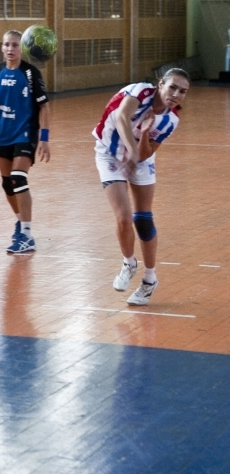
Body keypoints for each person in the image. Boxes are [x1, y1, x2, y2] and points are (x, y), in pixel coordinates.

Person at [93, 69, 190, 306]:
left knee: (143, 219)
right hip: (109, 154)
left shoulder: (171, 120)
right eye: (172, 87)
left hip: (140, 160)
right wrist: (132, 151)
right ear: (160, 85)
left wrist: (145, 135)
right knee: (123, 218)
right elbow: (122, 118)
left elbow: (147, 153)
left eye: (182, 91)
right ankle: (129, 263)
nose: (176, 94)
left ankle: (149, 279)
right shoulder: (140, 92)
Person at [0, 29, 50, 253]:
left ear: (22, 48)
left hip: (25, 133)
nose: (10, 49)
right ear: (2, 47)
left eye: (15, 45)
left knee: (18, 178)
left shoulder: (30, 73)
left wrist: (44, 139)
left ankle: (27, 235)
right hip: (4, 135)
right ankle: (21, 223)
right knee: (7, 184)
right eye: (7, 45)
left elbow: (44, 106)